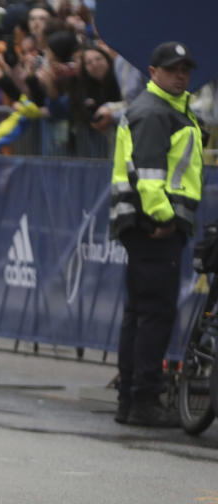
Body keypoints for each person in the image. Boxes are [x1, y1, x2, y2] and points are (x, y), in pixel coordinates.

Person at [110, 41, 203, 427]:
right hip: (154, 227)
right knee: (154, 314)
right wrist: (163, 219)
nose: (180, 75)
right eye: (172, 69)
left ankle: (131, 399)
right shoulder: (154, 113)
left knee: (139, 314)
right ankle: (144, 399)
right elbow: (149, 178)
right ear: (153, 73)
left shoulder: (167, 110)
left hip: (145, 226)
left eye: (184, 69)